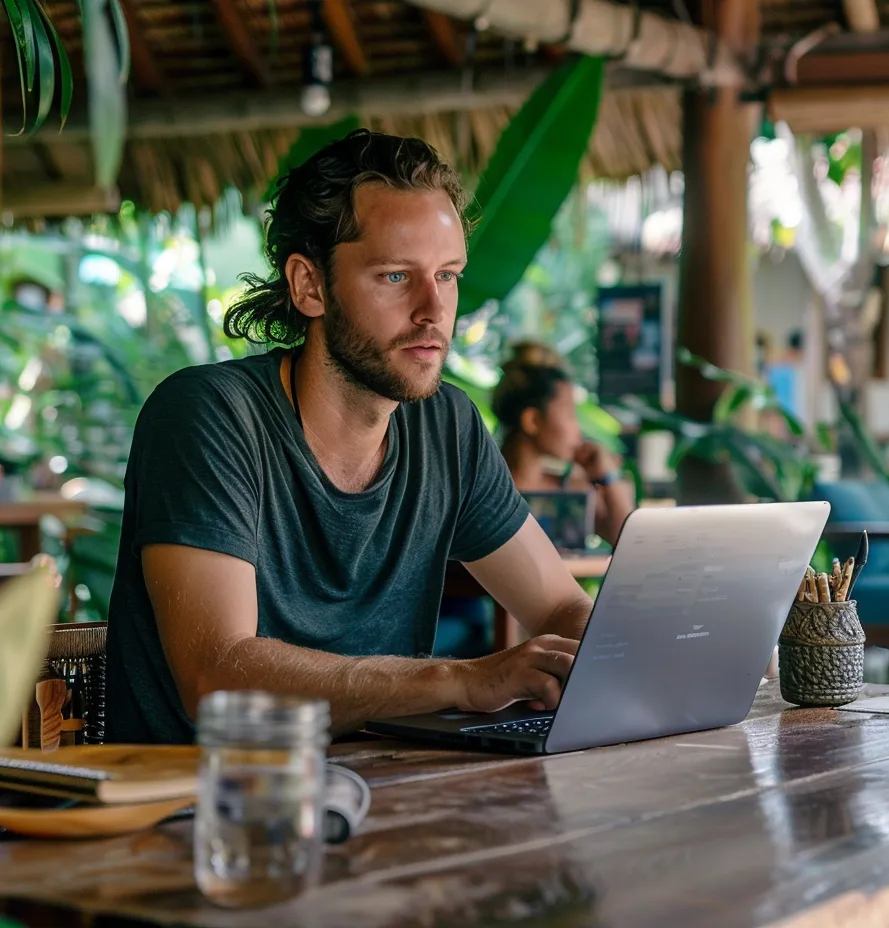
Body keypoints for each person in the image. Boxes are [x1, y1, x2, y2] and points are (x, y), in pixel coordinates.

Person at [105, 130, 595, 745]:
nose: (433, 310)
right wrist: (464, 679)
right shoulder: (209, 415)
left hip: (380, 795)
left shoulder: (448, 426)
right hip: (205, 808)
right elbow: (216, 677)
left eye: (447, 276)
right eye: (395, 276)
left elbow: (559, 607)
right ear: (309, 285)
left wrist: (621, 646)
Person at [490, 342, 635, 547]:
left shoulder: (571, 492)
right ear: (532, 421)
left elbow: (630, 543)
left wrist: (609, 477)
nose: (578, 430)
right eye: (569, 415)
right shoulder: (485, 492)